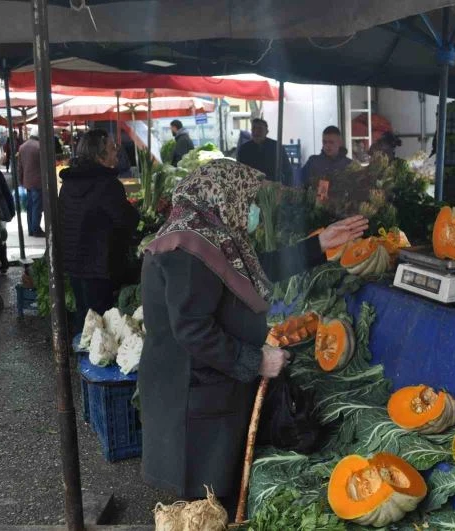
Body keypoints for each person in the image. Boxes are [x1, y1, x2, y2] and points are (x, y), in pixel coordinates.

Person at [138, 158, 368, 514]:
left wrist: (319, 243)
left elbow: (256, 269)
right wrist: (257, 360)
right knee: (204, 509)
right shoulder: (187, 251)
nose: (251, 209)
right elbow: (193, 330)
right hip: (193, 398)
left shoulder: (208, 237)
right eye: (247, 200)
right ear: (223, 197)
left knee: (210, 504)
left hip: (207, 389)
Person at [58, 129, 140, 332]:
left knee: (84, 316)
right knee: (103, 322)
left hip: (75, 262)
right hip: (101, 264)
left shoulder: (68, 183)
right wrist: (134, 213)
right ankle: (93, 358)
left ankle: (81, 358)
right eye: (112, 149)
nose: (116, 153)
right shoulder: (107, 185)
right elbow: (126, 220)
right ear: (98, 155)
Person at [237, 118, 294, 186]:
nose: (256, 132)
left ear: (267, 131)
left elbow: (288, 171)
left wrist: (287, 189)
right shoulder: (244, 149)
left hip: (273, 187)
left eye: (260, 129)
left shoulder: (276, 147)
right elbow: (239, 171)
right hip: (250, 187)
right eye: (254, 128)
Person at [301, 126, 352, 195]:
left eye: (331, 142)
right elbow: (300, 185)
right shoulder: (313, 162)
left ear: (340, 143)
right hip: (316, 203)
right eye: (324, 142)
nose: (327, 145)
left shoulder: (349, 165)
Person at [18, 126, 45, 237]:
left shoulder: (22, 147)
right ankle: (36, 229)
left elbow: (20, 166)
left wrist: (21, 180)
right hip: (38, 181)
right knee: (37, 207)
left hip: (27, 181)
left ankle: (31, 229)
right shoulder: (39, 147)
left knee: (30, 207)